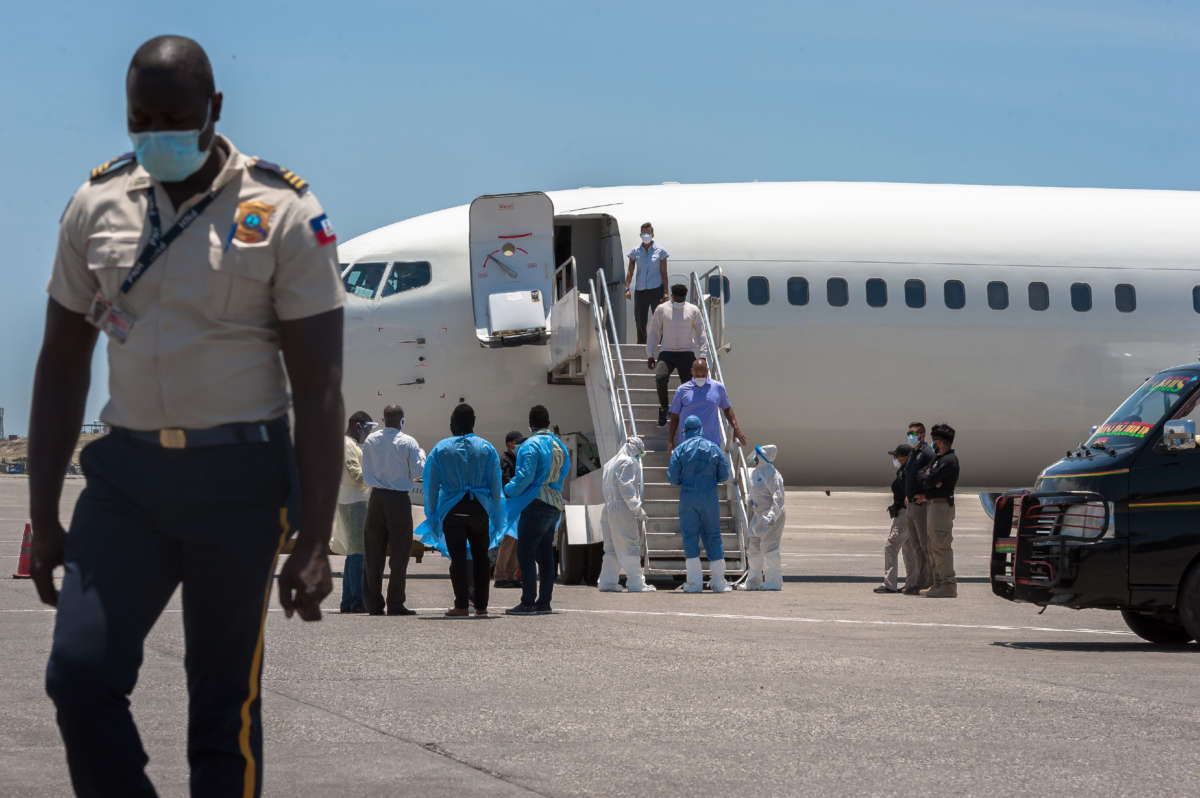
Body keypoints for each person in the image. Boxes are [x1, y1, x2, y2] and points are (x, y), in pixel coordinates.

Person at [28, 35, 344, 797]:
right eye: (141, 118)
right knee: (78, 675)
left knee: (221, 706)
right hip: (128, 479)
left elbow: (320, 387)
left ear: (215, 111)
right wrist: (43, 514)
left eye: (175, 117)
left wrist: (313, 538)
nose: (156, 134)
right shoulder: (95, 204)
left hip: (239, 483)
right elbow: (62, 363)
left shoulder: (284, 211)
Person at [416, 404, 504, 617]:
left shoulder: (441, 449)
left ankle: (461, 605)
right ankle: (482, 606)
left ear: (452, 424)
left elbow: (430, 485)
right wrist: (497, 515)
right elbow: (496, 486)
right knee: (481, 557)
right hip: (479, 508)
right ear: (473, 423)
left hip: (452, 510)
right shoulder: (487, 448)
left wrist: (432, 513)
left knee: (458, 559)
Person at [503, 405, 571, 615]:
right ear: (548, 421)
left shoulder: (530, 445)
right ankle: (544, 602)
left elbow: (525, 476)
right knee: (546, 556)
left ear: (530, 424)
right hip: (554, 503)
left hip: (536, 502)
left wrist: (508, 489)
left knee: (525, 553)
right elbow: (564, 471)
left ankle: (527, 601)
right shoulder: (559, 445)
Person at [361, 405, 425, 616]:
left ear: (384, 419)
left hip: (376, 498)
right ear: (401, 421)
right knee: (399, 553)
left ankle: (373, 603)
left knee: (373, 552)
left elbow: (366, 470)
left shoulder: (371, 440)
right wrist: (422, 455)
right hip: (398, 500)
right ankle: (395, 602)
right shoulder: (409, 442)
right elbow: (418, 472)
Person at [668, 415, 732, 593]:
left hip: (688, 498)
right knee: (713, 535)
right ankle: (719, 582)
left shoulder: (679, 450)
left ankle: (694, 583)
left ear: (686, 431)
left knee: (690, 537)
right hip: (709, 497)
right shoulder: (713, 448)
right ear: (701, 429)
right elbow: (724, 475)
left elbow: (673, 478)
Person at [597, 436, 655, 592]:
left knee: (612, 548)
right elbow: (626, 487)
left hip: (608, 508)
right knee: (630, 544)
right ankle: (636, 582)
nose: (639, 458)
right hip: (622, 509)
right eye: (640, 454)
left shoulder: (610, 463)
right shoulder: (628, 462)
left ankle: (607, 582)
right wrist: (637, 508)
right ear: (635, 449)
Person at [647, 284, 708, 427]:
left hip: (686, 352)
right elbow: (654, 332)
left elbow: (701, 333)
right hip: (667, 352)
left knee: (690, 385)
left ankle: (687, 410)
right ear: (672, 296)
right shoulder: (662, 309)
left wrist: (703, 355)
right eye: (677, 299)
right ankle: (664, 408)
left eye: (682, 299)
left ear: (685, 297)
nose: (679, 302)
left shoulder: (693, 310)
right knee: (660, 377)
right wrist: (650, 354)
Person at [914, 423, 960, 598]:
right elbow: (922, 477)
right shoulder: (938, 459)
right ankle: (938, 583)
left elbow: (931, 479)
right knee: (933, 546)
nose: (933, 443)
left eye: (935, 440)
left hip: (941, 506)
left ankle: (948, 584)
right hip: (933, 504)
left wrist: (930, 478)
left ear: (941, 442)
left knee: (941, 545)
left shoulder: (949, 461)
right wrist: (929, 478)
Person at [667, 358, 747, 451]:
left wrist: (736, 429)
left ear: (707, 371)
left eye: (703, 375)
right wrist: (671, 441)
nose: (700, 377)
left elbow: (727, 409)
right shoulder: (682, 390)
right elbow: (674, 416)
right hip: (688, 445)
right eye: (697, 375)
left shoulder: (718, 387)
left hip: (711, 444)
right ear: (692, 371)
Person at [338, 412, 373, 613]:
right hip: (354, 502)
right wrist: (378, 475)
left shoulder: (348, 444)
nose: (368, 434)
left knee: (354, 553)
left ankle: (348, 601)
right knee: (358, 553)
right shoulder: (347, 445)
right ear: (358, 426)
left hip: (352, 500)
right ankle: (356, 601)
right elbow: (355, 473)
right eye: (367, 429)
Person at [738, 444, 786, 590]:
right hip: (758, 516)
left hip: (771, 518)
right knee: (754, 549)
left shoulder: (772, 474)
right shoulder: (756, 473)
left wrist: (772, 516)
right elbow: (754, 492)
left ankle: (773, 582)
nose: (755, 458)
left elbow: (778, 498)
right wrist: (751, 502)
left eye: (757, 455)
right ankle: (753, 582)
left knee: (770, 549)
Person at [900, 422, 935, 595]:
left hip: (921, 505)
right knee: (915, 546)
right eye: (909, 433)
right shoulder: (913, 453)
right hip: (911, 504)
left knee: (924, 544)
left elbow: (932, 476)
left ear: (923, 434)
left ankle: (928, 581)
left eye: (914, 433)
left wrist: (926, 495)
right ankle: (919, 581)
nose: (911, 436)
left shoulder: (927, 453)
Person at [875, 443, 913, 594]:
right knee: (908, 549)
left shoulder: (906, 472)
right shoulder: (906, 471)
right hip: (907, 513)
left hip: (904, 514)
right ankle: (912, 583)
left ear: (904, 457)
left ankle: (890, 584)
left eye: (897, 456)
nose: (895, 458)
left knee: (891, 547)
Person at [624, 221, 669, 345]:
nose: (646, 235)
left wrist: (665, 292)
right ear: (640, 235)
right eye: (644, 233)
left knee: (659, 319)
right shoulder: (635, 251)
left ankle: (661, 344)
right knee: (640, 320)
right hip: (640, 291)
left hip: (656, 290)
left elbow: (664, 273)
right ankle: (642, 343)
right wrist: (626, 288)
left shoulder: (660, 252)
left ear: (653, 234)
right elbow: (630, 270)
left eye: (648, 233)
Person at [492, 430, 524, 589]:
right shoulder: (505, 460)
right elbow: (505, 481)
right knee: (508, 540)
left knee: (515, 541)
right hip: (508, 505)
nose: (519, 445)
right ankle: (500, 575)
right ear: (509, 443)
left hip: (515, 505)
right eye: (516, 442)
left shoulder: (516, 459)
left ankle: (511, 575)